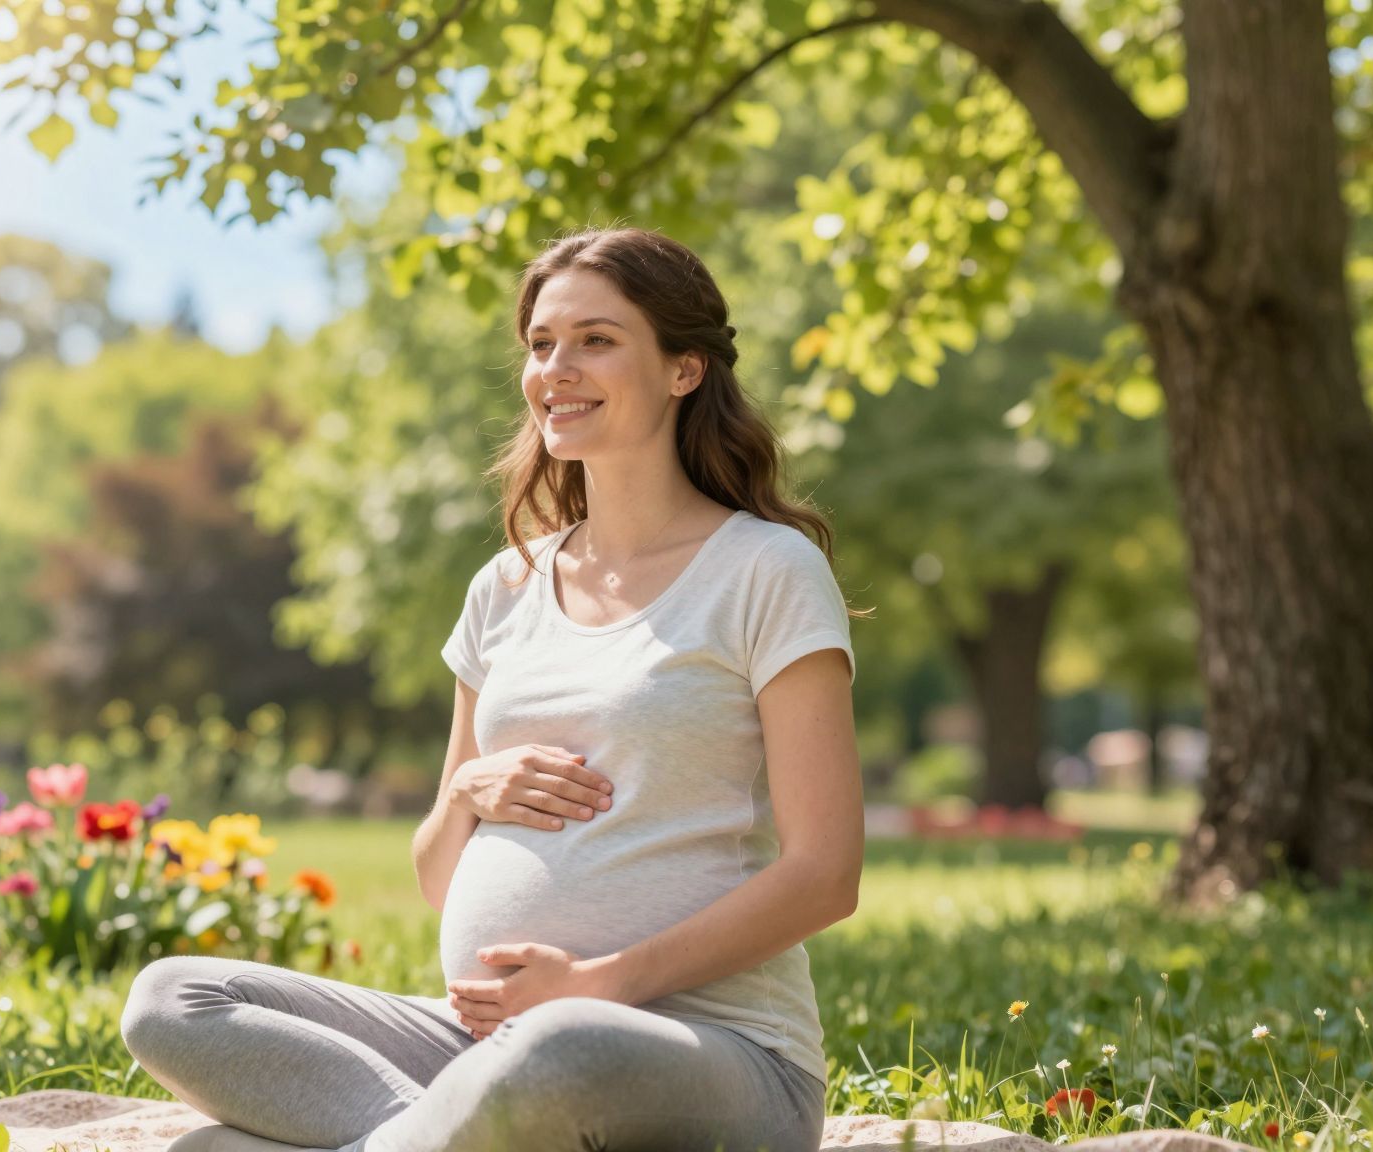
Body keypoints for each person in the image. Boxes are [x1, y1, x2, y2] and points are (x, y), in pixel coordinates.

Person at [119, 226, 865, 1152]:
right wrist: (469, 791)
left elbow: (826, 875)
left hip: (707, 1051)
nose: (557, 367)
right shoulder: (504, 588)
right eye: (541, 344)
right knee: (172, 1001)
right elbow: (439, 876)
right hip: (479, 1041)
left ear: (685, 369)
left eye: (596, 340)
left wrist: (602, 982)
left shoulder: (765, 569)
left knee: (549, 1052)